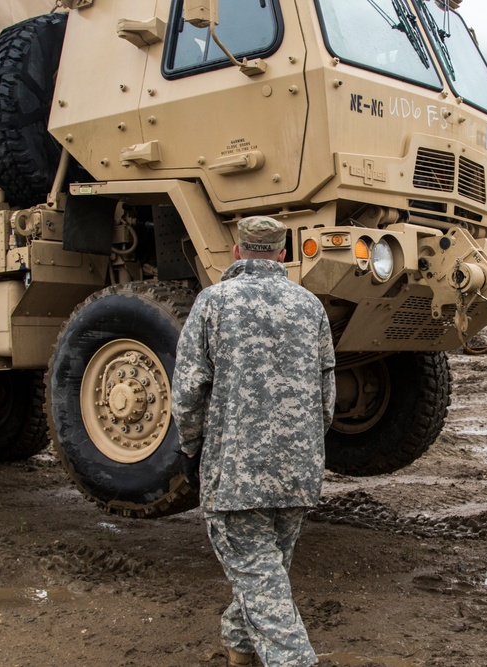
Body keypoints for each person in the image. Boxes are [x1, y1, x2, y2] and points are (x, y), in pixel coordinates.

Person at [171, 216, 336, 667]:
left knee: (260, 582)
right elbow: (326, 399)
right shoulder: (310, 307)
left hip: (237, 477)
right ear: (283, 254)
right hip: (298, 476)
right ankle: (239, 651)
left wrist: (191, 448)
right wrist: (302, 452)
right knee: (265, 575)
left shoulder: (213, 303)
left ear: (237, 251)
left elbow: (187, 393)